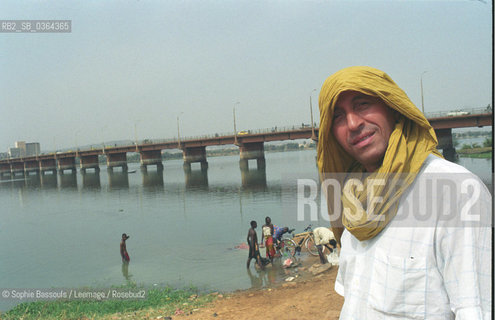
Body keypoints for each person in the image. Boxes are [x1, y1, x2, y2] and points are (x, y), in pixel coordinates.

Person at [317, 66, 491, 319]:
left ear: (393, 108)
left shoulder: (456, 192)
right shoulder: (353, 199)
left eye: (363, 104)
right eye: (338, 116)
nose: (353, 123)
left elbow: (476, 311)